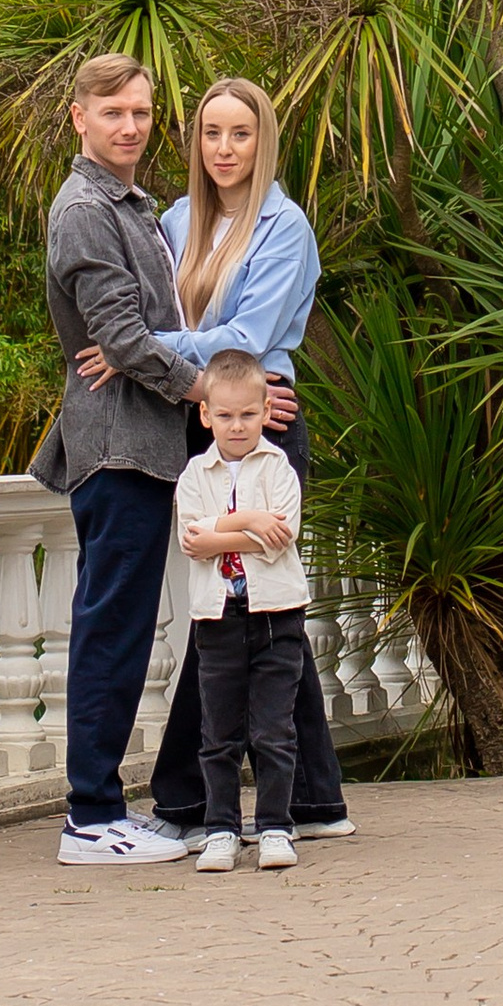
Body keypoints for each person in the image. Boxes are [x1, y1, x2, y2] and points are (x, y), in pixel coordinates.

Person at [73, 74, 355, 838]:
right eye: (211, 132)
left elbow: (248, 340)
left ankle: (183, 798)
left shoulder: (284, 226)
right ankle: (317, 800)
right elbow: (159, 310)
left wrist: (139, 350)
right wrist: (166, 360)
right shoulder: (174, 219)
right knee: (258, 608)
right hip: (198, 424)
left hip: (263, 429)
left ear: (263, 140)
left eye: (240, 132)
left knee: (245, 603)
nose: (224, 147)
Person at [29, 50, 199, 866]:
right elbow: (123, 339)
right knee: (111, 631)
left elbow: (136, 333)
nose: (129, 125)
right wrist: (207, 389)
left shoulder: (133, 204)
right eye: (112, 112)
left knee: (123, 627)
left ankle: (101, 809)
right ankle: (91, 816)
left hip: (145, 441)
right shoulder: (85, 209)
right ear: (79, 118)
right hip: (116, 447)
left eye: (140, 111)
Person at [175, 350, 308, 873]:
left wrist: (222, 529)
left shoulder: (279, 468)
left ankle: (275, 825)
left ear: (264, 410)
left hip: (276, 613)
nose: (237, 426)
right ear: (206, 414)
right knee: (219, 732)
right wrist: (251, 518)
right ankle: (221, 829)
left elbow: (279, 540)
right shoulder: (193, 475)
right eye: (225, 415)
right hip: (217, 618)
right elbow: (193, 542)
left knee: (274, 729)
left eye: (248, 415)